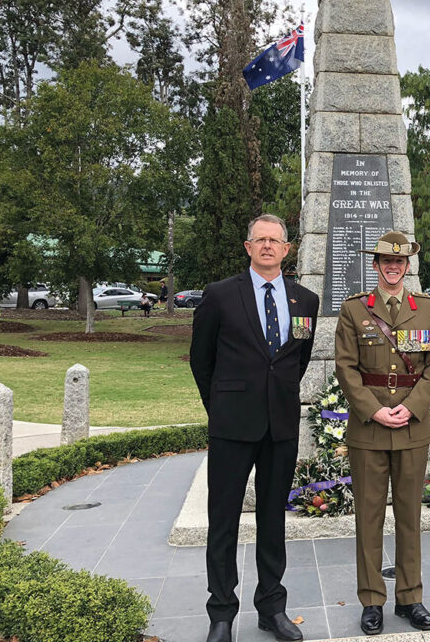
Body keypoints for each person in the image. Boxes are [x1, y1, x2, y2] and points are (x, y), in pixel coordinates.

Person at [190, 214, 319, 642]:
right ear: (248, 247)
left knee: (272, 520)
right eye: (259, 240)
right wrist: (222, 406)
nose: (267, 246)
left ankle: (271, 606)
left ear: (287, 249)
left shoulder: (306, 301)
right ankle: (222, 613)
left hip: (279, 426)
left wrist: (273, 399)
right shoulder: (220, 295)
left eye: (275, 241)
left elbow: (295, 363)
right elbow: (201, 360)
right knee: (223, 520)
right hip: (231, 427)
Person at [334, 231, 430, 635]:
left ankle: (410, 596)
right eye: (386, 261)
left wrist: (411, 407)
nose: (393, 267)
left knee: (410, 517)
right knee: (368, 517)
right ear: (377, 265)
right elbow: (346, 368)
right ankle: (371, 599)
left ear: (408, 266)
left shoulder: (428, 309)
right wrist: (376, 410)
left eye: (399, 262)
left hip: (412, 427)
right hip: (369, 430)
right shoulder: (354, 310)